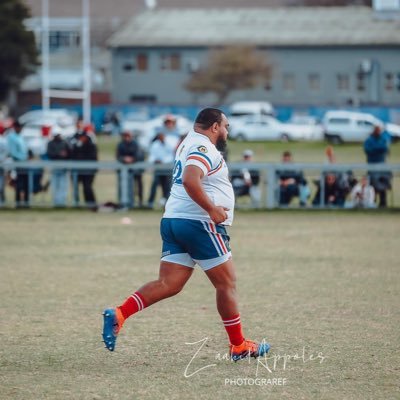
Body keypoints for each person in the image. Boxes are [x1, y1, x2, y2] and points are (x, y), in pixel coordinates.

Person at [102, 108, 270, 361]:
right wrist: (212, 209)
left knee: (169, 284)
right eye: (225, 126)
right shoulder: (204, 148)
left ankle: (120, 313)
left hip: (174, 220)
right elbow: (192, 179)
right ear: (214, 126)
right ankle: (238, 346)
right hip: (198, 223)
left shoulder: (187, 143)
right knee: (226, 284)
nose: (227, 131)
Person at [364, 125, 391, 207]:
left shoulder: (382, 139)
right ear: (374, 131)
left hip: (382, 167)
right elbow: (368, 150)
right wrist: (379, 149)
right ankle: (372, 203)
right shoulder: (369, 140)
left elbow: (386, 148)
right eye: (377, 130)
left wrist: (376, 149)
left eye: (379, 130)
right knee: (373, 185)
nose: (378, 132)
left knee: (385, 182)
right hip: (372, 167)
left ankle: (383, 203)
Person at [116, 131, 145, 208]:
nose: (127, 138)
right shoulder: (121, 145)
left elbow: (139, 155)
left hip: (136, 170)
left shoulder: (136, 144)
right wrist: (124, 159)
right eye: (125, 136)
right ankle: (124, 203)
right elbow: (118, 156)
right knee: (123, 187)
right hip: (124, 170)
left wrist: (132, 159)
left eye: (128, 136)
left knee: (138, 187)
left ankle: (139, 203)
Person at [70, 129, 98, 208]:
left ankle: (91, 204)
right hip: (77, 170)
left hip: (88, 171)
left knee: (87, 187)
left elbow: (93, 157)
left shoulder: (91, 145)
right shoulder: (76, 145)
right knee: (75, 188)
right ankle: (77, 204)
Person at [147, 132, 175, 208]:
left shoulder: (169, 144)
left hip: (167, 168)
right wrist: (155, 160)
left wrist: (163, 161)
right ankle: (150, 203)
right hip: (158, 169)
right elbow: (152, 155)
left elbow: (171, 155)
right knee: (155, 185)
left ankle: (167, 203)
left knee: (167, 186)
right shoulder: (155, 145)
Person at [7, 121, 29, 207]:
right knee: (19, 184)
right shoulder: (12, 137)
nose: (20, 129)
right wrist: (23, 158)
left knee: (26, 183)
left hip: (25, 164)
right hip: (17, 164)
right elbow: (13, 152)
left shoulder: (21, 136)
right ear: (15, 127)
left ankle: (26, 203)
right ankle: (18, 203)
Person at [47, 128, 70, 207]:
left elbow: (69, 153)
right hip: (55, 167)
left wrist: (65, 155)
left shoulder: (65, 143)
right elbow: (50, 154)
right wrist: (59, 154)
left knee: (63, 185)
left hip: (63, 168)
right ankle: (56, 202)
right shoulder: (50, 143)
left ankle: (62, 202)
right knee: (55, 185)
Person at [0, 130, 8, 205]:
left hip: (1, 164)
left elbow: (5, 152)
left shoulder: (3, 140)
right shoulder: (3, 140)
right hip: (2, 163)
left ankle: (2, 202)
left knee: (1, 184)